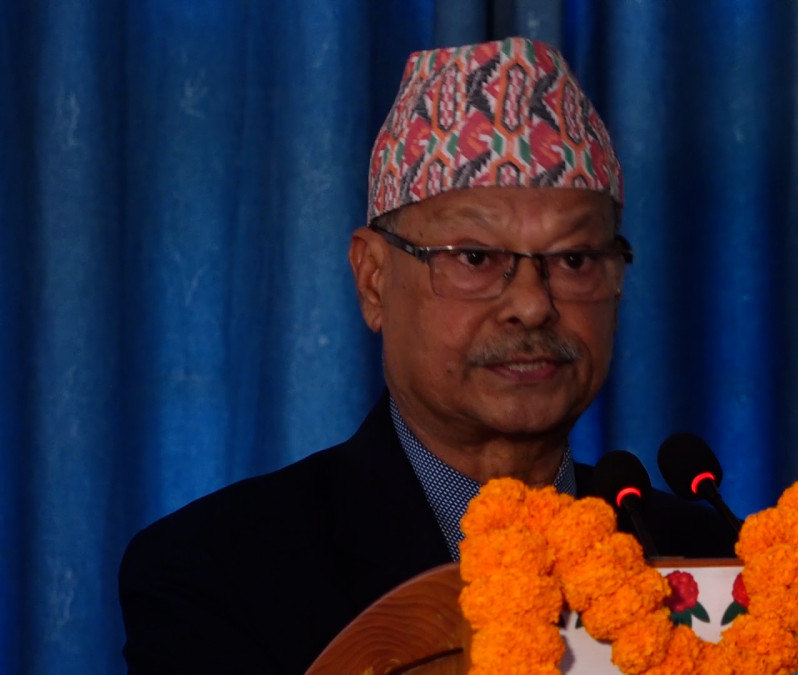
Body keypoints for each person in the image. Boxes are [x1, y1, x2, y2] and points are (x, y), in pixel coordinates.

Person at [118, 37, 734, 673]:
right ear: (374, 280)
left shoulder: (705, 560)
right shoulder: (219, 571)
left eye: (574, 260)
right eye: (475, 257)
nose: (532, 305)